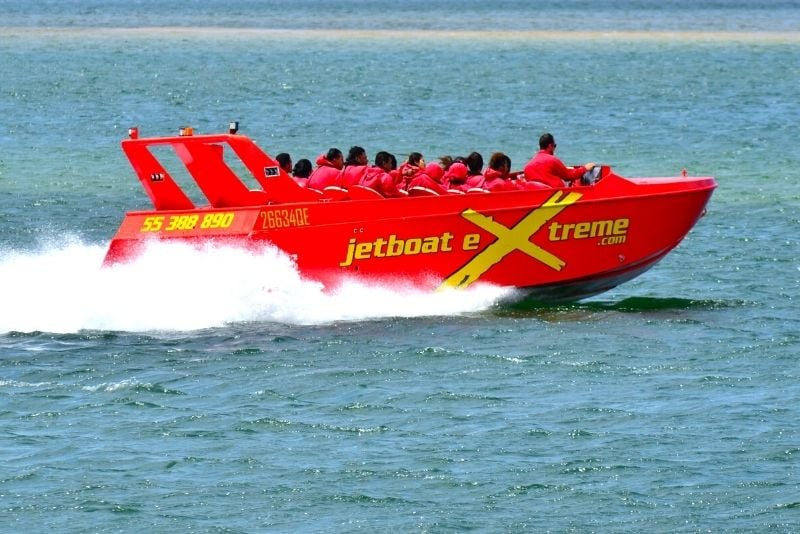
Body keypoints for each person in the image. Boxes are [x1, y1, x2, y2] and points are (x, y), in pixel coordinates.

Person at [523, 133, 595, 188]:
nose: (554, 149)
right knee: (576, 180)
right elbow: (569, 176)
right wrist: (585, 168)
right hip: (556, 196)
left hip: (538, 197)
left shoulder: (527, 166)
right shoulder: (552, 160)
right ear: (550, 146)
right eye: (554, 146)